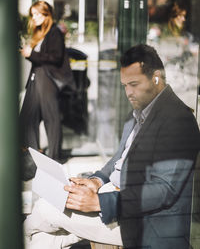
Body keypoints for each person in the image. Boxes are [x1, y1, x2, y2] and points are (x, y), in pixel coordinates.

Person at [24, 44, 200, 249]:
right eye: (125, 85)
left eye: (134, 84)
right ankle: (60, 239)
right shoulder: (139, 111)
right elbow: (119, 158)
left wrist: (100, 202)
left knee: (43, 211)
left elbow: (164, 190)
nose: (128, 93)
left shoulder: (179, 120)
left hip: (141, 220)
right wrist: (97, 181)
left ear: (156, 78)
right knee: (40, 238)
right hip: (114, 197)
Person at [20, 0, 75, 161]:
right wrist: (29, 54)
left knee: (51, 119)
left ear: (46, 14)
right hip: (36, 79)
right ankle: (33, 156)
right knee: (27, 119)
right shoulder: (40, 33)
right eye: (32, 14)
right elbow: (42, 58)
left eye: (37, 14)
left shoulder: (54, 32)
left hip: (48, 80)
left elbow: (55, 57)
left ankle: (54, 158)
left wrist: (32, 54)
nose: (34, 17)